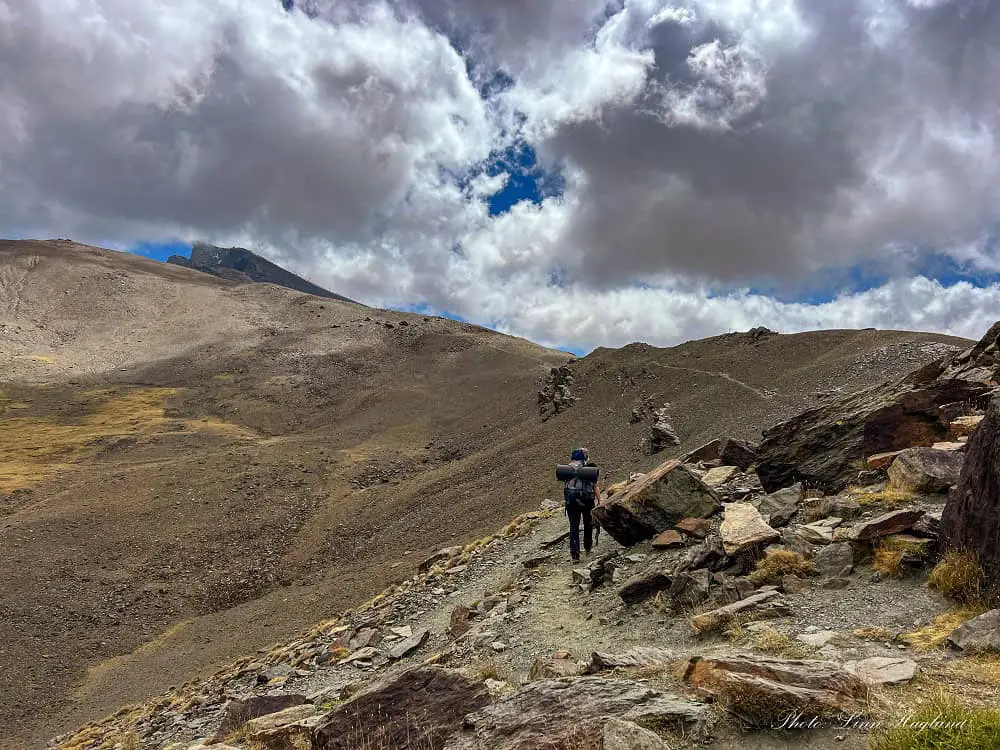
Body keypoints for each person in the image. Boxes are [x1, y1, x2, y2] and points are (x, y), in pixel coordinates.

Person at [563, 447, 601, 562]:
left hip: (571, 501)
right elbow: (595, 486)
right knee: (588, 524)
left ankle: (575, 555)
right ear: (585, 457)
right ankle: (588, 548)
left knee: (573, 526)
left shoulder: (567, 469)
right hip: (587, 500)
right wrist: (599, 500)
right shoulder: (590, 468)